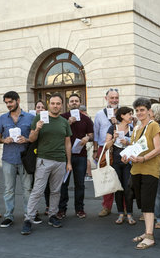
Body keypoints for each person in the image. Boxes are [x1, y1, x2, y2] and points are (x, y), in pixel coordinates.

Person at [21, 93, 72, 235]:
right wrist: (37, 128)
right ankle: (28, 219)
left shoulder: (64, 122)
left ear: (62, 105)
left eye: (58, 103)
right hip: (44, 160)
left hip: (60, 161)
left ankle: (52, 215)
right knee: (37, 190)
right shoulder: (39, 118)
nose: (55, 106)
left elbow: (67, 143)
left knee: (56, 191)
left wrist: (69, 162)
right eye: (53, 103)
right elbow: (31, 139)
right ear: (49, 104)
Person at [122, 98, 160, 249]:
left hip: (150, 169)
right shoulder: (137, 129)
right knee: (142, 202)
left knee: (148, 203)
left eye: (142, 110)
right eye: (137, 110)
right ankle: (147, 232)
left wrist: (144, 158)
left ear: (148, 111)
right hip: (136, 169)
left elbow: (158, 148)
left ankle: (150, 236)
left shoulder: (153, 125)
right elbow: (134, 148)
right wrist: (127, 157)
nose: (139, 113)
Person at [0, 91, 35, 228]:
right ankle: (8, 216)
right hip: (8, 158)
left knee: (27, 189)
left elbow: (34, 137)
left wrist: (26, 139)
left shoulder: (30, 117)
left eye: (10, 102)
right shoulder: (2, 118)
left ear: (17, 100)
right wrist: (3, 140)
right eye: (6, 103)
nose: (8, 105)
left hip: (25, 158)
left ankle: (28, 215)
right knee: (8, 189)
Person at [58, 93, 94, 219]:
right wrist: (68, 123)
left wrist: (87, 137)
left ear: (80, 103)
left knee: (80, 184)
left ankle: (80, 209)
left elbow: (92, 135)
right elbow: (57, 134)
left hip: (80, 156)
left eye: (76, 101)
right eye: (71, 101)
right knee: (63, 184)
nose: (74, 103)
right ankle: (61, 209)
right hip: (64, 156)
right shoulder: (62, 118)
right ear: (68, 104)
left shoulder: (86, 119)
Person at [105, 106, 135, 225]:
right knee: (118, 188)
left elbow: (136, 145)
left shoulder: (133, 129)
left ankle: (130, 214)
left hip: (128, 162)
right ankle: (120, 214)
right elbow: (106, 146)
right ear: (122, 115)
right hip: (116, 162)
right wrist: (114, 138)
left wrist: (128, 142)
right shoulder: (113, 128)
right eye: (129, 114)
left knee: (128, 188)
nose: (131, 116)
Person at [93, 88, 120, 217]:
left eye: (116, 98)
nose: (114, 100)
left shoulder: (123, 113)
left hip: (120, 148)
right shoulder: (99, 114)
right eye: (112, 98)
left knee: (121, 177)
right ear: (106, 99)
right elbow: (96, 133)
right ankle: (107, 206)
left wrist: (117, 122)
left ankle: (124, 207)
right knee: (106, 177)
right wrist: (95, 150)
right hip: (104, 149)